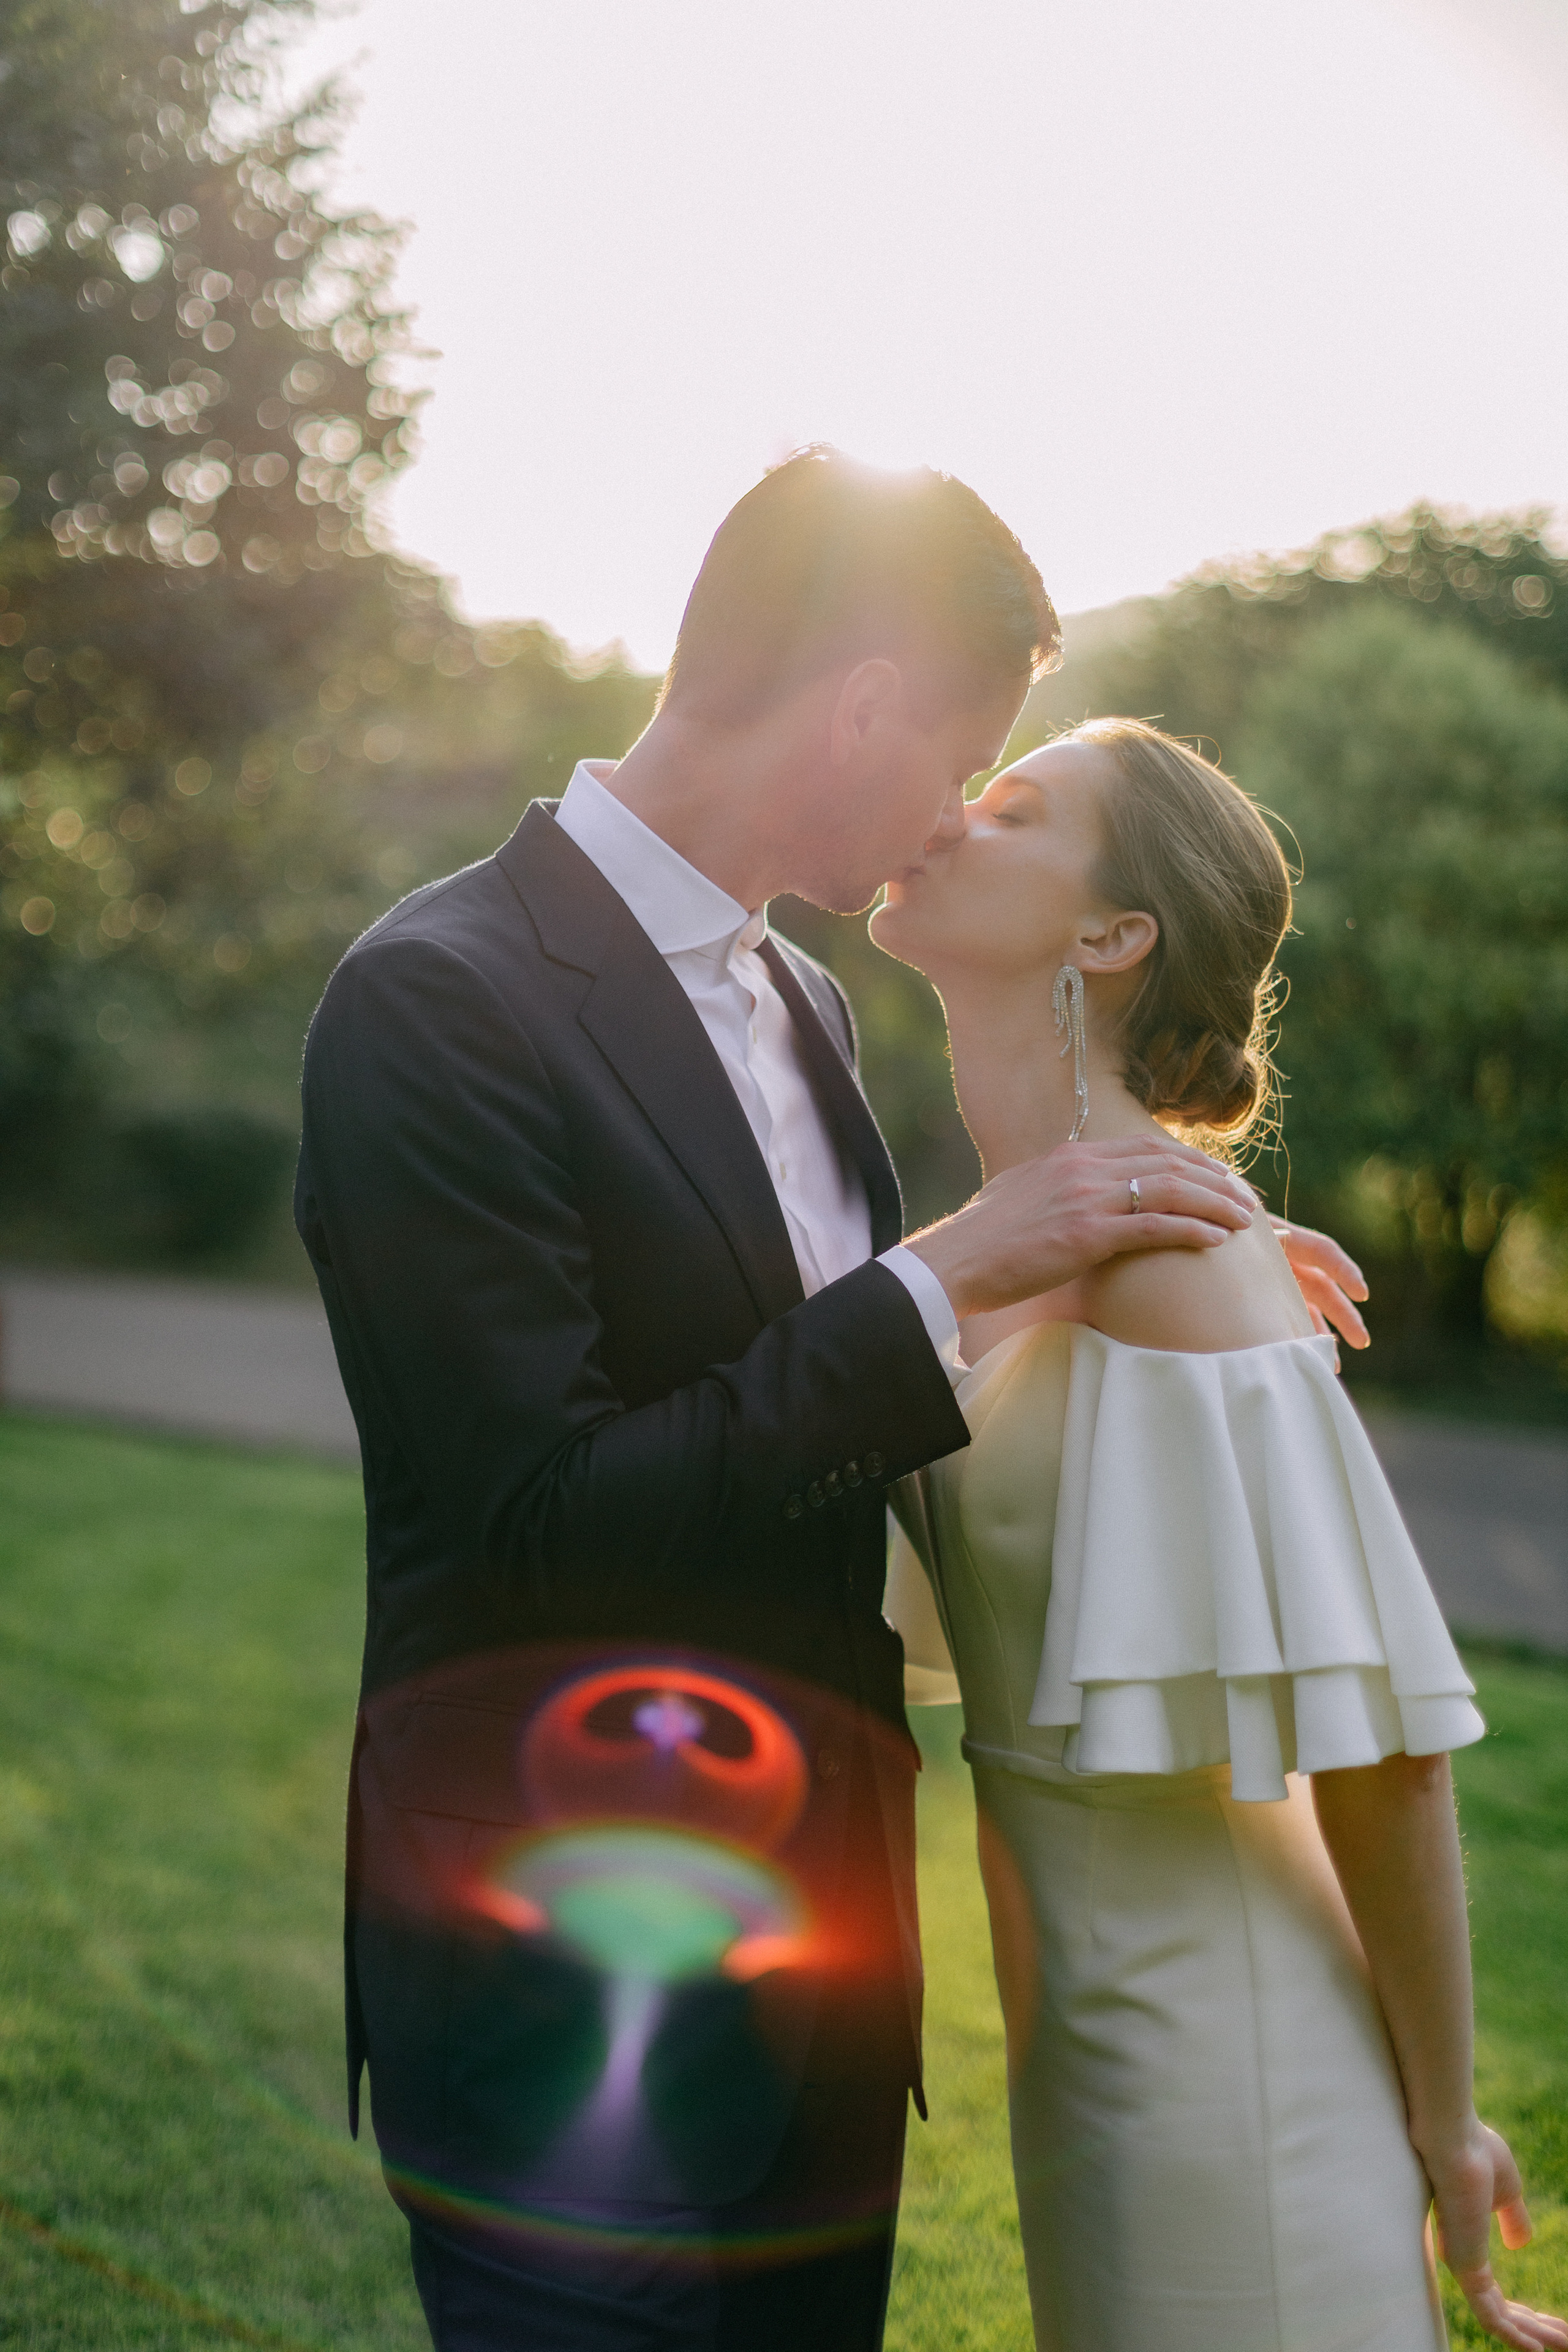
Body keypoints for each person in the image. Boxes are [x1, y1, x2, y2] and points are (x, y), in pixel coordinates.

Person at [294, 450, 1362, 2352]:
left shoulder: (802, 1003)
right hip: (550, 1992)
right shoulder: (435, 999)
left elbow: (819, 1391)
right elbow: (548, 1516)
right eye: (963, 756)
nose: (954, 815)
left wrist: (1145, 1280)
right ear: (864, 702)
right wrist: (961, 1266)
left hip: (823, 1984)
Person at [875, 717, 1568, 2352]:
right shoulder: (1025, 1244)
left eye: (1014, 808)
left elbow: (1387, 1755)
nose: (946, 812)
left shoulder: (1180, 1269)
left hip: (1227, 2074)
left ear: (1115, 936)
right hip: (1099, 2053)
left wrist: (1442, 2123)